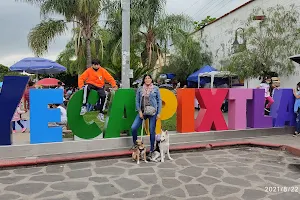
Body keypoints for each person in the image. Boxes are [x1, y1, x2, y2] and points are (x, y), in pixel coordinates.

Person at [131, 74, 162, 159]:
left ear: (151, 80)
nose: (147, 79)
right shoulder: (140, 89)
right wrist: (139, 111)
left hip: (153, 112)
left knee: (152, 130)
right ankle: (136, 145)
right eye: (146, 78)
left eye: (149, 78)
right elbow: (137, 101)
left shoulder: (156, 88)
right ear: (144, 80)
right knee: (134, 127)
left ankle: (152, 150)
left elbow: (159, 101)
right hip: (143, 112)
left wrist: (158, 113)